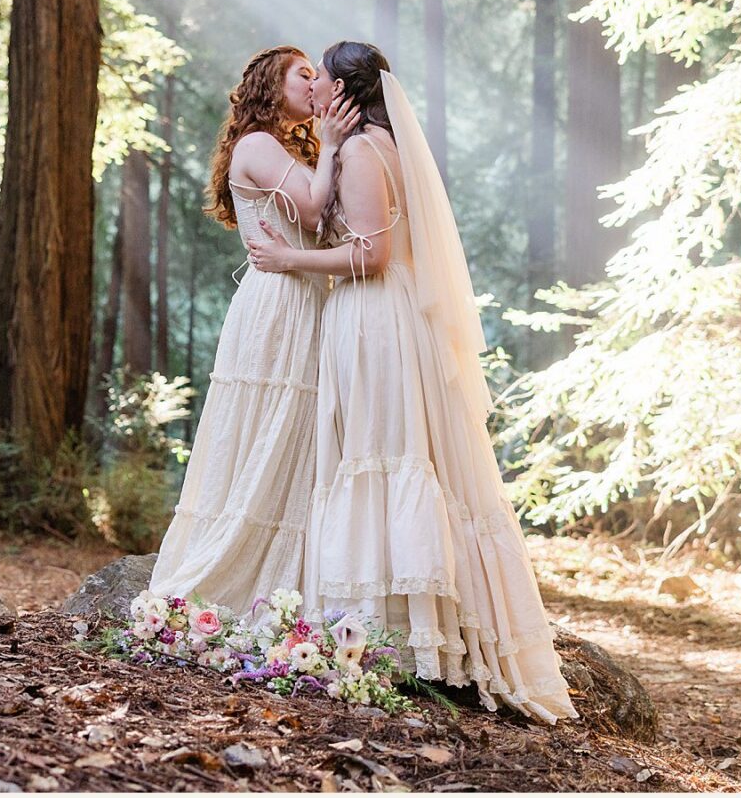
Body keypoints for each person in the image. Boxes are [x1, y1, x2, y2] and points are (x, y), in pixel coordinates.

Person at [247, 40, 578, 725]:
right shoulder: (365, 145)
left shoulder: (366, 153)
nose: (313, 86)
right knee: (383, 457)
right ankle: (387, 626)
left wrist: (288, 258)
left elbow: (371, 253)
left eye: (321, 77)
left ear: (344, 90)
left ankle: (398, 639)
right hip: (368, 314)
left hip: (373, 316)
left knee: (384, 457)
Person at [148, 45, 358, 614]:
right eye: (303, 75)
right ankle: (239, 579)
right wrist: (332, 143)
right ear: (271, 85)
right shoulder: (259, 144)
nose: (314, 84)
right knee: (272, 422)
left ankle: (290, 583)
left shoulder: (289, 147)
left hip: (307, 295)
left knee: (298, 429)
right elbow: (311, 212)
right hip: (279, 302)